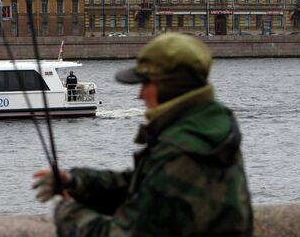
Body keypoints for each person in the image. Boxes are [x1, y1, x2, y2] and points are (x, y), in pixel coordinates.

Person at [33, 33, 253, 236]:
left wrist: (69, 214)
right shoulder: (209, 128)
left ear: (168, 87)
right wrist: (77, 182)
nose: (140, 95)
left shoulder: (180, 152)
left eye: (145, 83)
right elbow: (150, 188)